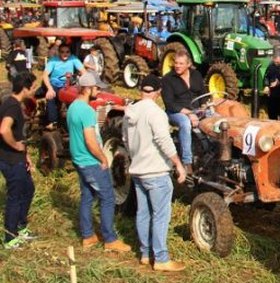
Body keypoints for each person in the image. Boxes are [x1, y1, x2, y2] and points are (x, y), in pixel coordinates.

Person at [123, 75, 187, 271]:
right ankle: (160, 258)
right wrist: (178, 163)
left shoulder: (130, 112)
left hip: (138, 171)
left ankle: (144, 253)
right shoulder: (156, 113)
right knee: (161, 215)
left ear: (141, 90)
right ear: (158, 92)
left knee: (143, 213)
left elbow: (125, 140)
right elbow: (164, 140)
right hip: (156, 171)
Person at [67, 72, 132, 252]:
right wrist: (103, 158)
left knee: (87, 197)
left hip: (78, 159)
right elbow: (90, 140)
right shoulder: (87, 111)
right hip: (90, 161)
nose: (98, 91)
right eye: (96, 88)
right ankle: (110, 239)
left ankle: (87, 236)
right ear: (88, 89)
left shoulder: (73, 107)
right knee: (108, 198)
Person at [0, 73, 36, 249]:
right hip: (11, 161)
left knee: (28, 189)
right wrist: (16, 147)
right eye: (33, 87)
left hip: (19, 159)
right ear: (25, 88)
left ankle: (21, 226)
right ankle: (10, 236)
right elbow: (4, 130)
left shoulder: (13, 104)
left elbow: (17, 134)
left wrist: (26, 155)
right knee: (15, 196)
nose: (34, 90)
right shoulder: (12, 106)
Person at [161, 50, 207, 174]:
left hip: (196, 110)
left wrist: (203, 106)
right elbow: (169, 103)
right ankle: (187, 162)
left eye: (181, 63)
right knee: (185, 124)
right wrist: (189, 113)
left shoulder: (196, 74)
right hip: (175, 112)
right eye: (176, 63)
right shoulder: (168, 79)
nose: (177, 66)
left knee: (217, 119)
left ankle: (213, 152)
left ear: (188, 64)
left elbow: (203, 93)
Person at [42, 43, 85, 130]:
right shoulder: (53, 61)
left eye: (67, 52)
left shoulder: (73, 59)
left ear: (70, 53)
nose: (65, 54)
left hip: (69, 85)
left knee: (76, 98)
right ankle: (53, 121)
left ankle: (75, 121)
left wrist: (85, 82)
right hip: (55, 85)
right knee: (51, 97)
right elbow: (45, 75)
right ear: (59, 52)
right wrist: (50, 89)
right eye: (62, 52)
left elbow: (83, 72)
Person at [263, 48, 280, 121]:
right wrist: (266, 86)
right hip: (272, 94)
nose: (274, 60)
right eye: (274, 58)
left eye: (276, 58)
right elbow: (266, 77)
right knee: (272, 114)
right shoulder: (271, 67)